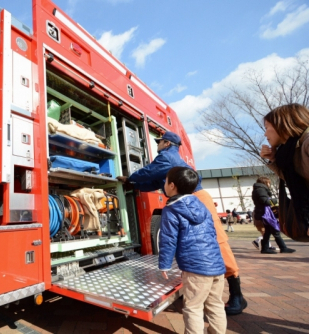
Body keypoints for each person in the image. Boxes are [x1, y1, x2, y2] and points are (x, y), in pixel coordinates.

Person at [117, 131, 247, 316]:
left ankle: (237, 295)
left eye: (159, 141)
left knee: (217, 242)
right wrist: (135, 185)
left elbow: (149, 172)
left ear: (167, 143)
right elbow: (155, 182)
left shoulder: (166, 157)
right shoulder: (169, 161)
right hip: (191, 198)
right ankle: (219, 291)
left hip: (196, 198)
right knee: (205, 243)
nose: (157, 145)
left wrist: (130, 178)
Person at [159, 167, 227, 333]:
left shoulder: (171, 209)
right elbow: (211, 233)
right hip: (217, 265)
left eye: (166, 181)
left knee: (193, 307)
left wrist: (164, 265)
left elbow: (168, 239)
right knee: (215, 304)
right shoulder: (202, 206)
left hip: (196, 268)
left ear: (172, 185)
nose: (164, 184)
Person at [261, 103, 309, 238]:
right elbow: (292, 178)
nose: (265, 133)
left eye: (266, 128)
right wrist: (273, 160)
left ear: (281, 125)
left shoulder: (306, 143)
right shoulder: (290, 151)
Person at [251, 176, 295, 254]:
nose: (269, 184)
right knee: (275, 231)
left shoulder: (258, 190)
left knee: (268, 232)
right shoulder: (260, 190)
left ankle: (265, 248)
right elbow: (264, 201)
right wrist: (275, 200)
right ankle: (283, 248)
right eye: (268, 183)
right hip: (266, 214)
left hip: (264, 213)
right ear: (264, 182)